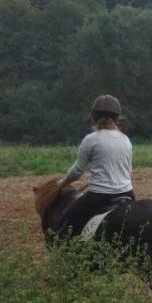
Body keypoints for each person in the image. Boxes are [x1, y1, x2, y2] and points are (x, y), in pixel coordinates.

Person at [57, 94, 135, 237]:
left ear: (94, 116)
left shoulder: (90, 140)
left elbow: (77, 171)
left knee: (63, 227)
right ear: (117, 117)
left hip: (99, 196)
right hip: (127, 193)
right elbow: (128, 170)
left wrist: (63, 183)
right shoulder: (126, 139)